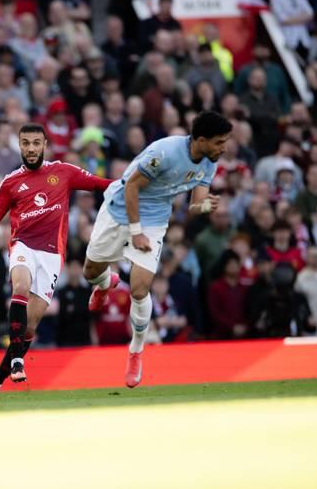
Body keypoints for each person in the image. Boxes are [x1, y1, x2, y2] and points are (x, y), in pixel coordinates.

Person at [0, 124, 112, 403]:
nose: (31, 148)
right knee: (20, 286)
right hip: (23, 246)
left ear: (45, 144)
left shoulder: (63, 172)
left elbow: (103, 185)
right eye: (25, 143)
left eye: (35, 143)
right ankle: (18, 362)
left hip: (52, 256)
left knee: (30, 327)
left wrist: (138, 184)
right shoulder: (9, 183)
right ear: (19, 146)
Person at [83, 111, 232, 387]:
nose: (224, 148)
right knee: (90, 272)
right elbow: (131, 189)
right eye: (219, 142)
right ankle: (106, 283)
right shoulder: (164, 152)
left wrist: (205, 207)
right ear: (201, 140)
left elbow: (194, 203)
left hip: (154, 219)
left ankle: (136, 351)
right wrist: (135, 232)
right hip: (119, 210)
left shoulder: (209, 161)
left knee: (140, 288)